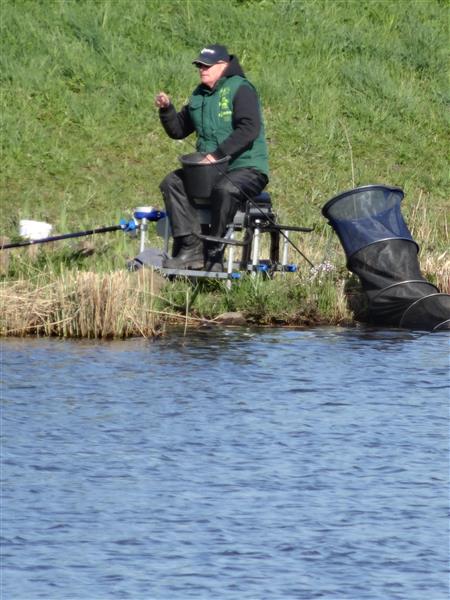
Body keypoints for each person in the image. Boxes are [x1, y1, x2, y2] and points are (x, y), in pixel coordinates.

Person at [155, 43, 269, 270]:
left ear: (223, 65)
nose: (201, 70)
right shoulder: (199, 95)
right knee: (172, 182)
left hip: (246, 169)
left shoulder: (241, 88)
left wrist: (216, 155)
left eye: (206, 66)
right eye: (199, 65)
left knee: (225, 189)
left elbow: (249, 128)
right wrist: (167, 110)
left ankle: (214, 254)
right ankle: (191, 249)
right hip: (209, 171)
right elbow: (178, 130)